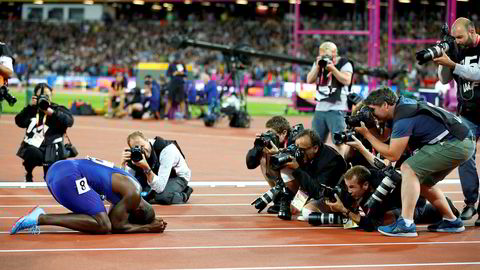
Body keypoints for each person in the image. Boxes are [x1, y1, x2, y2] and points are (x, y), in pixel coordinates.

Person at [356, 87, 475, 236]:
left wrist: (366, 135)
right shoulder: (397, 110)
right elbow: (383, 139)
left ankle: (406, 223)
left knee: (408, 168)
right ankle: (451, 220)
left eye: (373, 110)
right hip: (459, 141)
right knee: (422, 182)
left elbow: (393, 154)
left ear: (385, 105)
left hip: (456, 143)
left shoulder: (403, 117)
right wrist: (369, 126)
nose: (372, 114)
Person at [10, 157, 167, 235]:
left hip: (57, 171)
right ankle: (40, 218)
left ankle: (40, 217)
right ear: (138, 210)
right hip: (69, 176)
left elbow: (116, 219)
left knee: (95, 214)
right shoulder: (134, 196)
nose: (124, 216)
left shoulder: (129, 186)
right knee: (103, 225)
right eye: (128, 215)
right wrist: (147, 228)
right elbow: (115, 225)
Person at [433, 17, 480, 224]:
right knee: (464, 155)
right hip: (467, 112)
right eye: (455, 38)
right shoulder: (456, 49)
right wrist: (444, 60)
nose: (458, 41)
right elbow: (444, 79)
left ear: (472, 31)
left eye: (460, 37)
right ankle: (470, 203)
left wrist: (453, 64)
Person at [281, 129, 347, 220]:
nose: (298, 153)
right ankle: (292, 200)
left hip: (334, 196)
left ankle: (343, 219)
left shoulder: (332, 160)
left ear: (315, 148)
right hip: (313, 188)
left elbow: (318, 192)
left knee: (307, 213)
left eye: (302, 150)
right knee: (285, 168)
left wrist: (297, 169)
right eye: (297, 148)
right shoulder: (306, 155)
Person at [15, 83, 74, 182]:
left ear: (51, 94)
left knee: (50, 177)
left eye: (47, 94)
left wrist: (52, 112)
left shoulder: (58, 109)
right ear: (35, 96)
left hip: (53, 146)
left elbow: (69, 122)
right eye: (40, 95)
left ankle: (50, 175)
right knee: (31, 152)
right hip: (35, 145)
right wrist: (29, 107)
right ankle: (28, 172)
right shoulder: (32, 110)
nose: (44, 97)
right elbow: (19, 122)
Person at [306, 41, 354, 156]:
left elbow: (347, 80)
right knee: (315, 143)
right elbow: (309, 80)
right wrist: (317, 66)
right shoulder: (319, 63)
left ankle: (341, 168)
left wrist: (333, 69)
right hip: (320, 108)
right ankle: (316, 169)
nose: (325, 57)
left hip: (337, 108)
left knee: (339, 142)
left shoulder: (344, 63)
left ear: (334, 53)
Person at [122, 131, 193, 205]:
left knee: (162, 196)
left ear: (147, 140)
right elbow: (127, 183)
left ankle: (185, 193)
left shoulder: (166, 150)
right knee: (138, 195)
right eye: (137, 148)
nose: (141, 150)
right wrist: (123, 164)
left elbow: (159, 187)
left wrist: (146, 167)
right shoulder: (135, 155)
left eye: (142, 146)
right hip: (157, 174)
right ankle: (151, 192)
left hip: (176, 176)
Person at [246, 116, 296, 214]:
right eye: (268, 133)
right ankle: (279, 199)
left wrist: (278, 152)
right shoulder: (271, 143)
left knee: (277, 159)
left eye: (273, 133)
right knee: (264, 158)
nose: (270, 136)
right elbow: (250, 164)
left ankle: (287, 198)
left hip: (301, 182)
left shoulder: (294, 139)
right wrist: (257, 147)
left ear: (284, 133)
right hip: (286, 180)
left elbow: (297, 162)